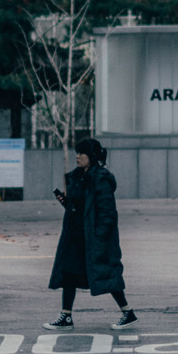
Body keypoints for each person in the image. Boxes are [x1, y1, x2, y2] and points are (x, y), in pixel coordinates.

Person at [44, 136, 137, 331]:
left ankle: (128, 312)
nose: (78, 156)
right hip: (76, 236)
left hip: (95, 238)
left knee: (107, 273)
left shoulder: (101, 179)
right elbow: (79, 207)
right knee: (69, 273)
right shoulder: (77, 177)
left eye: (82, 153)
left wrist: (100, 236)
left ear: (91, 156)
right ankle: (66, 316)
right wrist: (65, 202)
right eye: (77, 153)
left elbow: (107, 213)